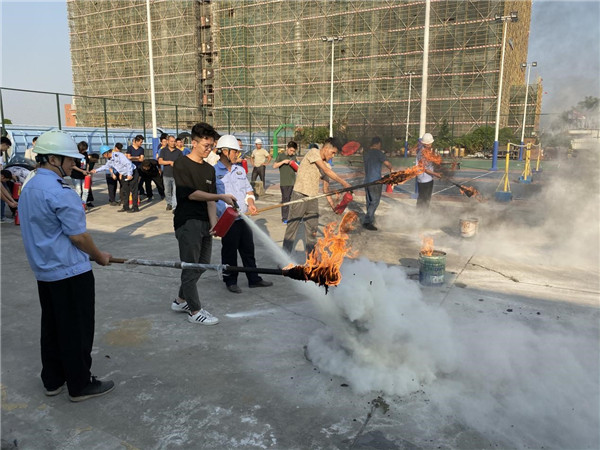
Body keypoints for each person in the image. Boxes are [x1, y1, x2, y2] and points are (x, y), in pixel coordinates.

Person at [18, 130, 114, 402]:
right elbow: (79, 237)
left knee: (52, 326)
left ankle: (53, 379)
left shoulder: (29, 185)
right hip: (70, 271)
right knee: (76, 330)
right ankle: (80, 384)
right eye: (69, 160)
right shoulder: (61, 191)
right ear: (52, 159)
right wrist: (99, 255)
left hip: (45, 271)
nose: (74, 164)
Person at [170, 122, 236, 325]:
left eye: (212, 146)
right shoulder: (181, 164)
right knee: (191, 266)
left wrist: (214, 222)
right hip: (187, 222)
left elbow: (210, 200)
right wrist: (221, 196)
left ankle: (181, 300)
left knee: (202, 265)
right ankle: (194, 311)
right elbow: (191, 194)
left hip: (205, 222)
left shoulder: (208, 169)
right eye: (206, 145)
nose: (209, 149)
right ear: (194, 142)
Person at [215, 135, 274, 294]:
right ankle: (230, 281)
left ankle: (254, 279)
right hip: (228, 220)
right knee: (229, 252)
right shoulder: (213, 172)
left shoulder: (240, 170)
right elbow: (212, 199)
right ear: (225, 151)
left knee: (248, 250)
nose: (238, 155)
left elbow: (249, 191)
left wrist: (251, 203)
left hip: (244, 218)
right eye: (235, 151)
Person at [282, 137, 351, 256]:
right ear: (326, 148)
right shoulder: (313, 152)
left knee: (312, 231)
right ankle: (283, 258)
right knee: (292, 228)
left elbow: (325, 189)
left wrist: (333, 206)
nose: (333, 156)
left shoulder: (327, 165)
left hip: (313, 199)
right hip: (300, 196)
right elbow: (325, 170)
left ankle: (311, 259)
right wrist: (344, 183)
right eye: (333, 152)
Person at [92, 145, 138, 212]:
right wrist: (96, 170)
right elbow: (106, 166)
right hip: (124, 174)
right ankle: (126, 207)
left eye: (103, 155)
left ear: (106, 153)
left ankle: (135, 207)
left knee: (134, 190)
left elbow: (128, 164)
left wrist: (129, 174)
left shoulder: (119, 155)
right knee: (125, 191)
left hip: (132, 172)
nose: (103, 156)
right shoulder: (110, 160)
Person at [362, 136, 393, 230]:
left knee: (369, 201)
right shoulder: (379, 153)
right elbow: (388, 164)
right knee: (375, 201)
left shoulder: (366, 153)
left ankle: (369, 219)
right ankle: (368, 221)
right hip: (375, 181)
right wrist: (391, 169)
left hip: (367, 181)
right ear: (378, 144)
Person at [273, 141, 298, 223]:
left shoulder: (294, 156)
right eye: (291, 150)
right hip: (284, 182)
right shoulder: (281, 156)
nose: (292, 152)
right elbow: (274, 166)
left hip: (293, 182)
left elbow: (297, 169)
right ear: (287, 148)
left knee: (293, 200)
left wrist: (294, 165)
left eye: (293, 151)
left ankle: (292, 216)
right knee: (285, 199)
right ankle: (285, 217)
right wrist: (283, 162)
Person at [416, 132, 441, 209]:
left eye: (430, 143)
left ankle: (424, 213)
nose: (430, 145)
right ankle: (420, 214)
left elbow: (431, 164)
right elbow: (425, 169)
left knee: (427, 199)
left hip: (429, 179)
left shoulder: (428, 151)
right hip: (423, 180)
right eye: (429, 144)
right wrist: (436, 174)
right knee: (423, 199)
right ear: (425, 144)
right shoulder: (422, 153)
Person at [158, 135, 182, 211]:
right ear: (168, 142)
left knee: (175, 192)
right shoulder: (163, 150)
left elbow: (181, 163)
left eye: (174, 141)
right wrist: (169, 162)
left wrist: (176, 164)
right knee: (167, 191)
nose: (173, 143)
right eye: (171, 141)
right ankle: (169, 203)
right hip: (166, 174)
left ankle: (175, 206)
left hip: (176, 175)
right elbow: (160, 161)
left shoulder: (179, 152)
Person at [71, 141, 92, 208]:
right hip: (76, 175)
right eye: (83, 150)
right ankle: (78, 204)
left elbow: (87, 163)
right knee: (78, 191)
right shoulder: (75, 154)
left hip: (84, 175)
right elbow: (73, 165)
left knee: (85, 190)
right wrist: (82, 171)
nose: (84, 151)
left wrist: (87, 171)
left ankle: (83, 204)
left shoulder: (85, 154)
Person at [125, 135, 145, 199]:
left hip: (138, 167)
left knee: (138, 182)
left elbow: (141, 159)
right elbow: (128, 157)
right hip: (130, 168)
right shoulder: (130, 148)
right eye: (140, 142)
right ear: (136, 141)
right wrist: (137, 157)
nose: (141, 143)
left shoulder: (141, 149)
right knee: (131, 181)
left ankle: (137, 195)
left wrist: (132, 158)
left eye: (142, 142)